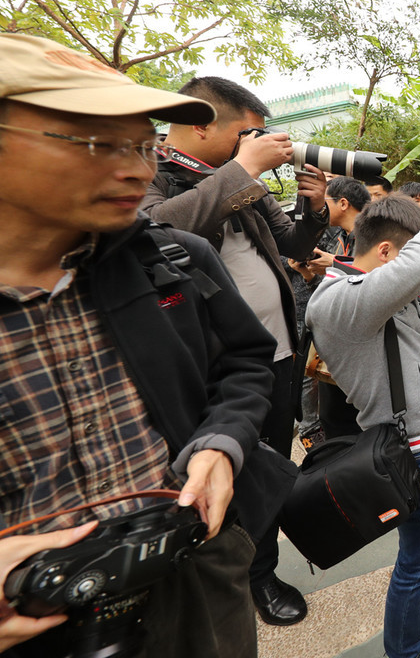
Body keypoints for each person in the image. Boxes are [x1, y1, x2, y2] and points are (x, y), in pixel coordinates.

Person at [0, 33, 283, 657]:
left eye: (141, 144)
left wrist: (222, 442)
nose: (136, 168)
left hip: (193, 573)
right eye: (97, 142)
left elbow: (242, 361)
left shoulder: (170, 262)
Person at [142, 76, 328, 626]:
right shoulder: (152, 175)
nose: (260, 144)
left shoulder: (240, 180)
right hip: (211, 372)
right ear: (201, 125)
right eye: (248, 134)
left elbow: (292, 243)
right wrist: (242, 170)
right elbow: (153, 232)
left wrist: (311, 205)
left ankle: (261, 572)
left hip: (276, 357)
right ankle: (215, 577)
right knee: (218, 471)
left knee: (270, 466)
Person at [306, 196, 420, 658]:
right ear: (388, 253)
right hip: (418, 448)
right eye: (416, 265)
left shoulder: (374, 291)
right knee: (417, 558)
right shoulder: (339, 303)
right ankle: (408, 649)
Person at [287, 175, 371, 448]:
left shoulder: (371, 238)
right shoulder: (344, 238)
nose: (319, 209)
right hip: (340, 348)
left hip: (357, 352)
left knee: (350, 427)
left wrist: (335, 263)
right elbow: (338, 291)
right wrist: (309, 275)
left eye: (325, 202)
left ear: (343, 203)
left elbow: (375, 283)